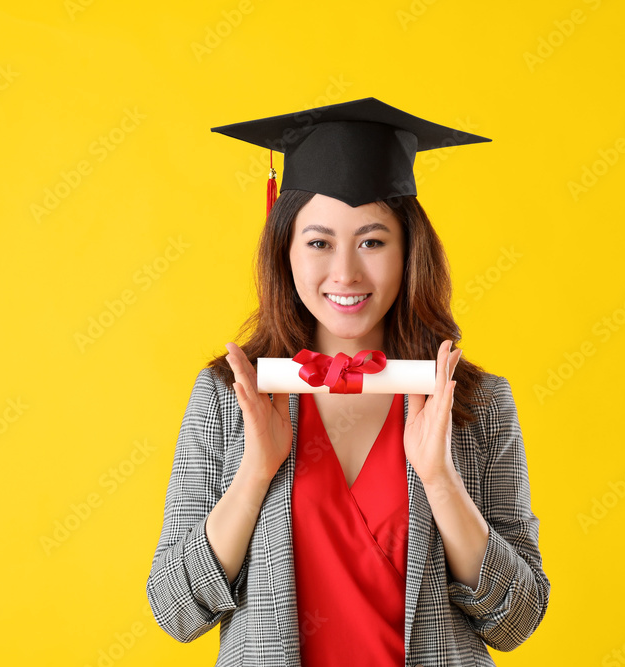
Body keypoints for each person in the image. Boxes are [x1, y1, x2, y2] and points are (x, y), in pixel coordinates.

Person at [146, 98, 550, 666]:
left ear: (411, 251)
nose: (346, 273)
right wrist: (255, 471)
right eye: (318, 242)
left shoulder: (472, 402)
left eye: (372, 241)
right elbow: (175, 610)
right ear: (284, 251)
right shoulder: (229, 395)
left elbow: (518, 619)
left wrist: (439, 479)